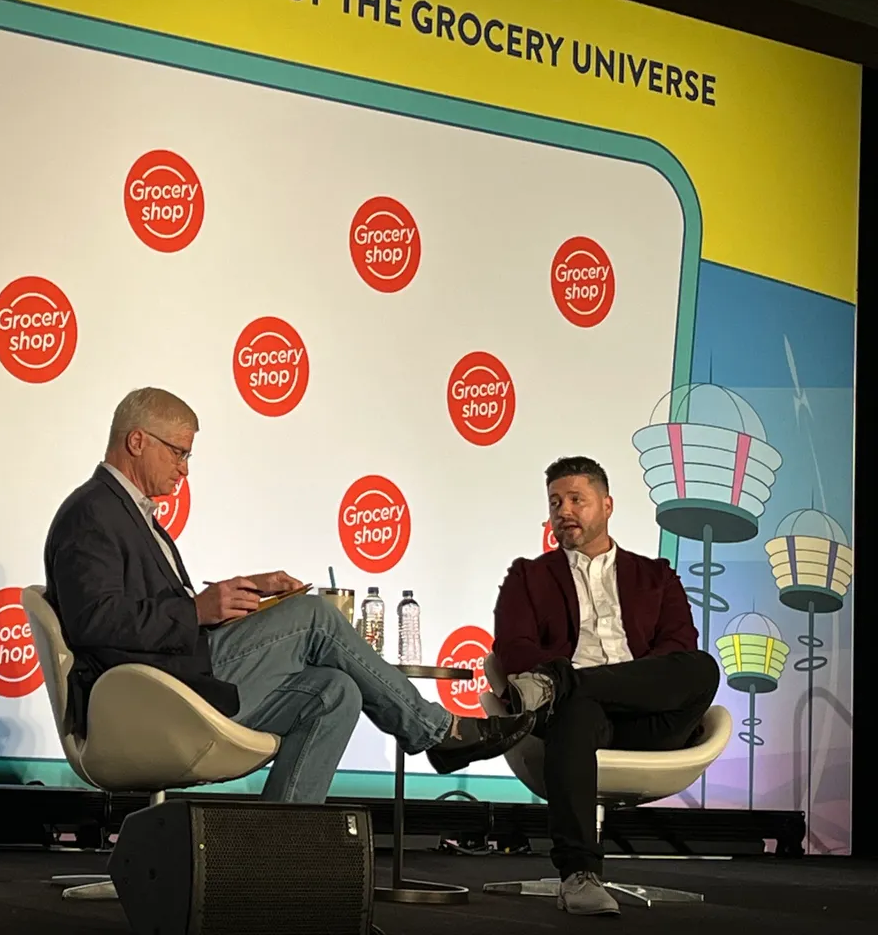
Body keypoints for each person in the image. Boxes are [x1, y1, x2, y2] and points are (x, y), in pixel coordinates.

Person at [42, 387, 535, 806]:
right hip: (147, 696)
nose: (184, 469)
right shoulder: (92, 513)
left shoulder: (128, 513)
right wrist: (196, 609)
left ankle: (276, 856)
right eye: (178, 452)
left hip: (179, 674)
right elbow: (96, 620)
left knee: (335, 692)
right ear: (136, 441)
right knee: (317, 616)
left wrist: (242, 596)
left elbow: (149, 608)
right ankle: (437, 732)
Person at [492, 455, 721, 917]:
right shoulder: (528, 576)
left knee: (700, 667)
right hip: (579, 720)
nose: (564, 511)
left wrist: (572, 681)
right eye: (556, 502)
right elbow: (513, 649)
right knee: (575, 713)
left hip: (648, 717)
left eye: (577, 499)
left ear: (608, 505)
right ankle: (579, 875)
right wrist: (574, 690)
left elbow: (677, 645)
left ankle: (567, 685)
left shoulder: (655, 575)